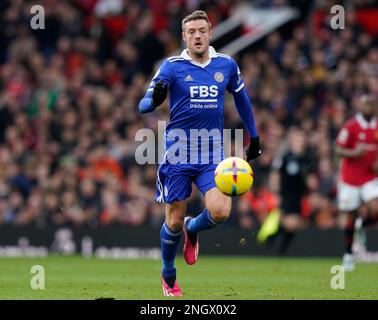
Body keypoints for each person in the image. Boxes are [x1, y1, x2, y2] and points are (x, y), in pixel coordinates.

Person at [138, 10, 261, 296]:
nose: (196, 36)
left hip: (212, 152)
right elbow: (144, 104)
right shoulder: (171, 66)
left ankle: (194, 229)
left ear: (209, 33)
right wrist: (153, 99)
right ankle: (169, 275)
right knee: (173, 220)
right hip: (178, 151)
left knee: (219, 212)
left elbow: (243, 101)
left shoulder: (226, 65)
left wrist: (253, 137)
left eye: (201, 31)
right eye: (191, 31)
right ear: (184, 36)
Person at [335, 94, 378, 271]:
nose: (368, 107)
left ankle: (363, 224)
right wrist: (354, 153)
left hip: (369, 177)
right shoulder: (351, 126)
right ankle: (348, 254)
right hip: (350, 179)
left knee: (376, 208)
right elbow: (338, 148)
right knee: (350, 216)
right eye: (365, 104)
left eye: (371, 104)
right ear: (360, 106)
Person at [257, 127, 311, 254]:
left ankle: (279, 246)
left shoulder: (306, 157)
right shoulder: (285, 157)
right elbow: (275, 174)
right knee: (290, 223)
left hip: (299, 195)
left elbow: (307, 177)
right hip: (286, 193)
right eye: (297, 139)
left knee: (295, 224)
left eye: (301, 139)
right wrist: (275, 193)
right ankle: (273, 239)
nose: (299, 142)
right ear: (291, 141)